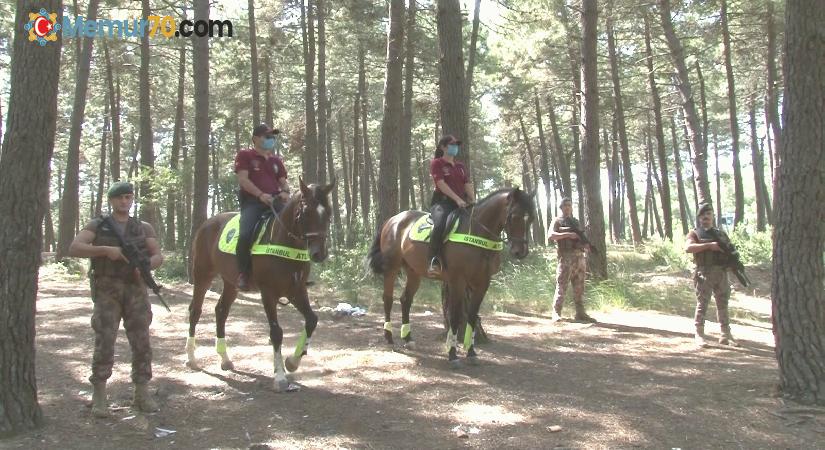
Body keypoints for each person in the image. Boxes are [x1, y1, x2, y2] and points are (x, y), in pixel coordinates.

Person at [67, 181, 164, 418]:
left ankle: (141, 392)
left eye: (128, 197)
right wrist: (104, 250)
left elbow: (157, 255)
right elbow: (75, 247)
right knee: (105, 339)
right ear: (111, 200)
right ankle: (99, 394)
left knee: (141, 341)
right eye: (120, 198)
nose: (124, 202)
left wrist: (146, 267)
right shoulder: (99, 225)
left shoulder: (143, 227)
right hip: (107, 290)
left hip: (136, 290)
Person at [234, 123, 290, 291]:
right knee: (245, 234)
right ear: (255, 139)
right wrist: (260, 195)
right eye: (267, 137)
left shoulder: (276, 161)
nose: (271, 140)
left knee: (296, 226)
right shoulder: (245, 155)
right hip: (253, 203)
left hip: (275, 202)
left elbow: (283, 182)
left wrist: (286, 192)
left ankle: (298, 271)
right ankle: (243, 273)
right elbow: (243, 180)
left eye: (272, 137)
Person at [685, 203, 738, 348]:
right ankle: (699, 334)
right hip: (704, 273)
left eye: (708, 214)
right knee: (702, 304)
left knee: (723, 304)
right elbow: (688, 248)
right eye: (703, 215)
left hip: (721, 273)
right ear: (699, 218)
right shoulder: (695, 233)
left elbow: (730, 251)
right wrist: (709, 246)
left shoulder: (721, 234)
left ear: (713, 216)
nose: (705, 217)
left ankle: (726, 335)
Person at [427, 135, 474, 275]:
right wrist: (457, 199)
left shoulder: (460, 166)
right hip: (442, 203)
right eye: (452, 145)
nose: (455, 147)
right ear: (443, 147)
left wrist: (473, 199)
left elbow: (467, 183)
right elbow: (441, 184)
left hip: (462, 204)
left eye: (456, 145)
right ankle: (433, 261)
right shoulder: (437, 163)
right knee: (440, 224)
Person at [548, 197, 596, 323]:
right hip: (566, 257)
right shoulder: (557, 221)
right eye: (565, 205)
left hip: (579, 257)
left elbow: (580, 237)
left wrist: (585, 246)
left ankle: (580, 313)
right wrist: (568, 234)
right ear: (561, 207)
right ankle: (556, 312)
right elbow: (551, 236)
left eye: (569, 205)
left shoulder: (575, 221)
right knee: (562, 285)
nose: (568, 207)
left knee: (579, 286)